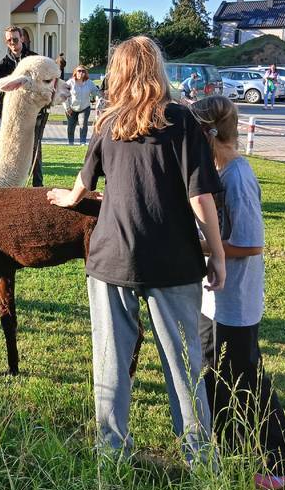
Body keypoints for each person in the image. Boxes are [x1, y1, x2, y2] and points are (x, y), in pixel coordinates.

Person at [47, 36, 225, 466]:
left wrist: (69, 198)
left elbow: (83, 184)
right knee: (183, 366)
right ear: (158, 70)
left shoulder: (108, 123)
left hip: (111, 259)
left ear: (120, 74)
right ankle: (201, 459)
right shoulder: (182, 121)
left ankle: (111, 454)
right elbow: (200, 198)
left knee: (110, 361)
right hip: (173, 261)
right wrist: (216, 254)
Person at [192, 95, 285, 490]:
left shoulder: (238, 177)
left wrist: (202, 247)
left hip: (236, 302)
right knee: (214, 376)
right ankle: (231, 446)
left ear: (207, 136)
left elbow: (250, 243)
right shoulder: (218, 175)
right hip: (213, 300)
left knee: (247, 380)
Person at [0, 26, 43, 180]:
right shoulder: (2, 65)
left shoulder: (34, 60)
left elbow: (44, 85)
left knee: (35, 150)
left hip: (34, 114)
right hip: (14, 117)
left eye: (15, 39)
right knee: (14, 152)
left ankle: (37, 186)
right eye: (9, 40)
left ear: (22, 38)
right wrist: (4, 115)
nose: (12, 43)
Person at [64, 65, 98, 145]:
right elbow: (64, 96)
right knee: (71, 127)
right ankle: (71, 143)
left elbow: (96, 92)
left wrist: (98, 95)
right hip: (71, 108)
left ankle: (82, 142)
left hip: (84, 108)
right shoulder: (70, 83)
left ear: (85, 73)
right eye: (79, 71)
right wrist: (67, 108)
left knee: (83, 125)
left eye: (83, 71)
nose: (81, 73)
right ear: (75, 72)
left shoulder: (89, 83)